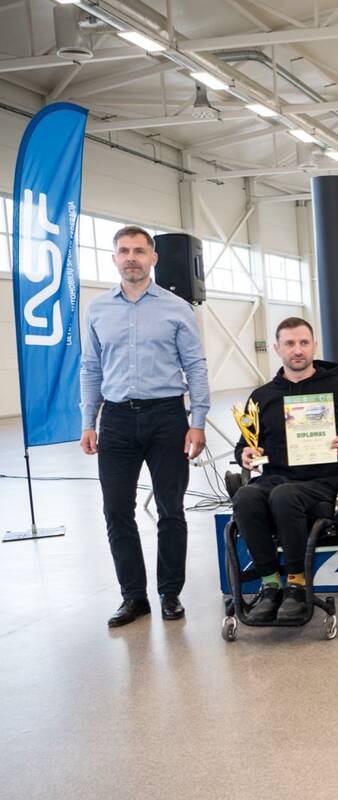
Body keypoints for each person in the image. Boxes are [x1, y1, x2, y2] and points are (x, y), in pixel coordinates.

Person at [80, 225, 210, 628]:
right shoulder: (97, 310)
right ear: (114, 258)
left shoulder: (177, 308)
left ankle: (170, 593)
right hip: (116, 420)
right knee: (116, 510)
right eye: (124, 251)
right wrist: (88, 421)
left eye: (139, 251)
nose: (131, 258)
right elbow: (91, 368)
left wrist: (198, 421)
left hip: (167, 418)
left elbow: (195, 366)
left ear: (153, 258)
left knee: (171, 508)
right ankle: (133, 597)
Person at [232, 317, 338, 623]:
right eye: (289, 344)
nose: (297, 350)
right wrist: (245, 454)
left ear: (314, 345)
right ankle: (270, 585)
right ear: (277, 348)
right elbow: (244, 444)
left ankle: (297, 585)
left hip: (324, 483)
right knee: (245, 496)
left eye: (303, 343)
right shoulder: (261, 397)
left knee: (284, 495)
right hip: (275, 478)